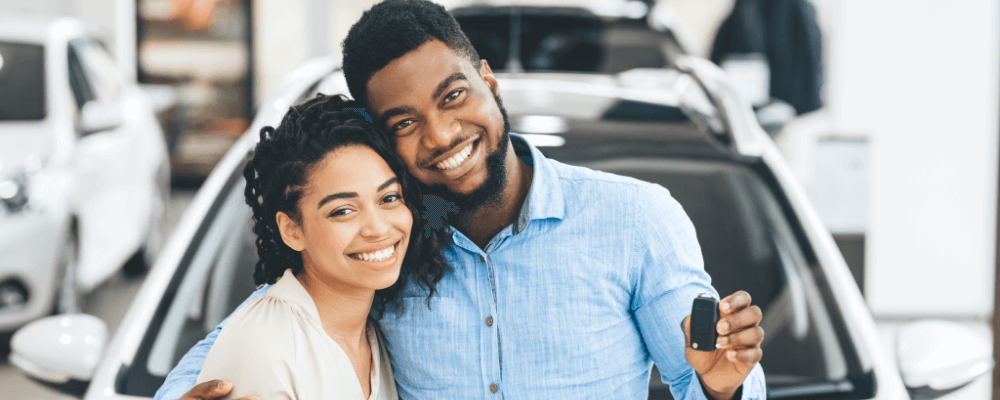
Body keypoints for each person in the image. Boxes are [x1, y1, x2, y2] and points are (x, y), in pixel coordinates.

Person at [156, 1, 767, 399]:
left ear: (488, 81)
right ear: (381, 138)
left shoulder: (635, 220)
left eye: (453, 97)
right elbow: (257, 334)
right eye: (404, 121)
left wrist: (722, 390)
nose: (442, 135)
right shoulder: (381, 247)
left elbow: (706, 370)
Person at [193, 94, 450, 399]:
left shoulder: (378, 335)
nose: (379, 227)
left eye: (389, 198)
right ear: (292, 230)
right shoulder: (265, 348)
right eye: (343, 210)